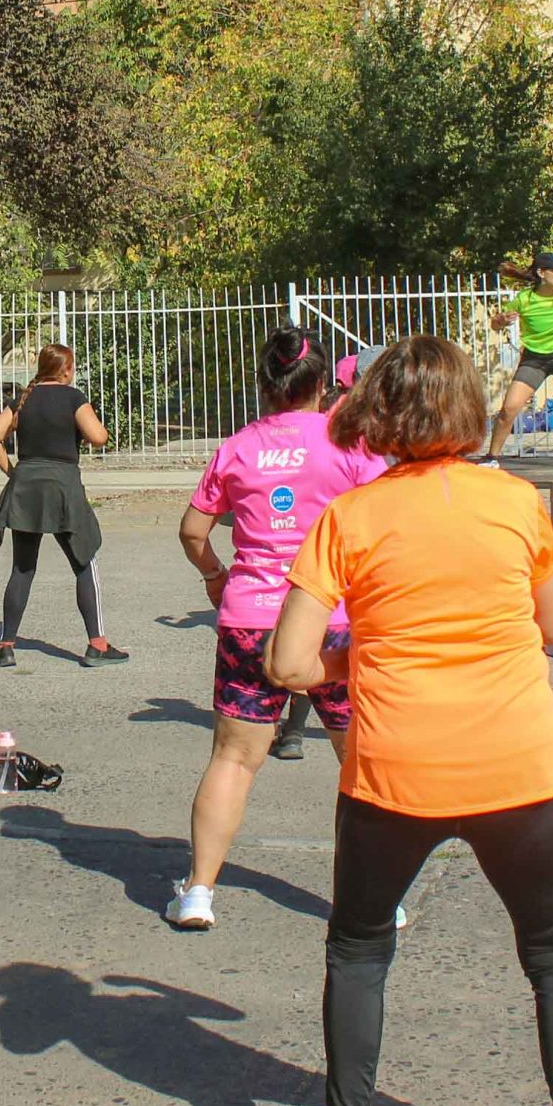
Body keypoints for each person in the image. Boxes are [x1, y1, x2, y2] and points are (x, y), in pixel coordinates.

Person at [263, 334, 553, 1106]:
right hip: (517, 767)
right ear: (468, 408)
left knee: (359, 951)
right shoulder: (515, 502)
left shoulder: (350, 517)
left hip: (396, 772)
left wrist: (358, 656)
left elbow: (288, 662)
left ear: (379, 412)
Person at [166, 328, 385, 931]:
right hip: (333, 621)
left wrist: (216, 577)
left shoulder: (237, 447)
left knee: (233, 760)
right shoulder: (351, 445)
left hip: (250, 619)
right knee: (358, 762)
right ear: (323, 385)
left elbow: (192, 530)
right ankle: (373, 903)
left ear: (264, 384)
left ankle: (198, 892)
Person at [0, 344, 124, 668]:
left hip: (26, 489)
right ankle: (97, 645)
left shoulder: (23, 399)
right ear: (66, 369)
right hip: (63, 489)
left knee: (22, 568)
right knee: (84, 561)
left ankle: (5, 646)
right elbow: (98, 437)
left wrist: (13, 473)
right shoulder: (73, 398)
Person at [485, 251, 553, 461]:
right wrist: (501, 320)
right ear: (541, 273)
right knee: (509, 409)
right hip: (534, 361)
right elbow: (495, 324)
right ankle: (492, 457)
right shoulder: (524, 299)